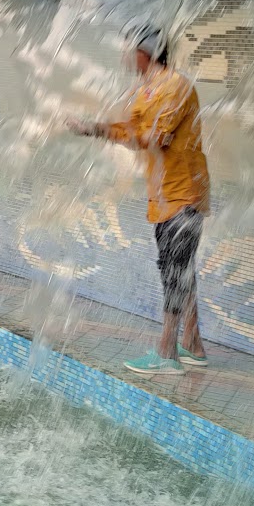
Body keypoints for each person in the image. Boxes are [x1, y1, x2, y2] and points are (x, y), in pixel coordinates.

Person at [70, 26, 211, 377]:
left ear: (147, 52)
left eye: (132, 50)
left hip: (185, 192)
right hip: (163, 195)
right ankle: (193, 343)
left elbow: (157, 137)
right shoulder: (144, 90)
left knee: (175, 269)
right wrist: (94, 128)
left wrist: (120, 133)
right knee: (177, 266)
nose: (127, 57)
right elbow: (131, 131)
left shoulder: (176, 86)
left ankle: (167, 351)